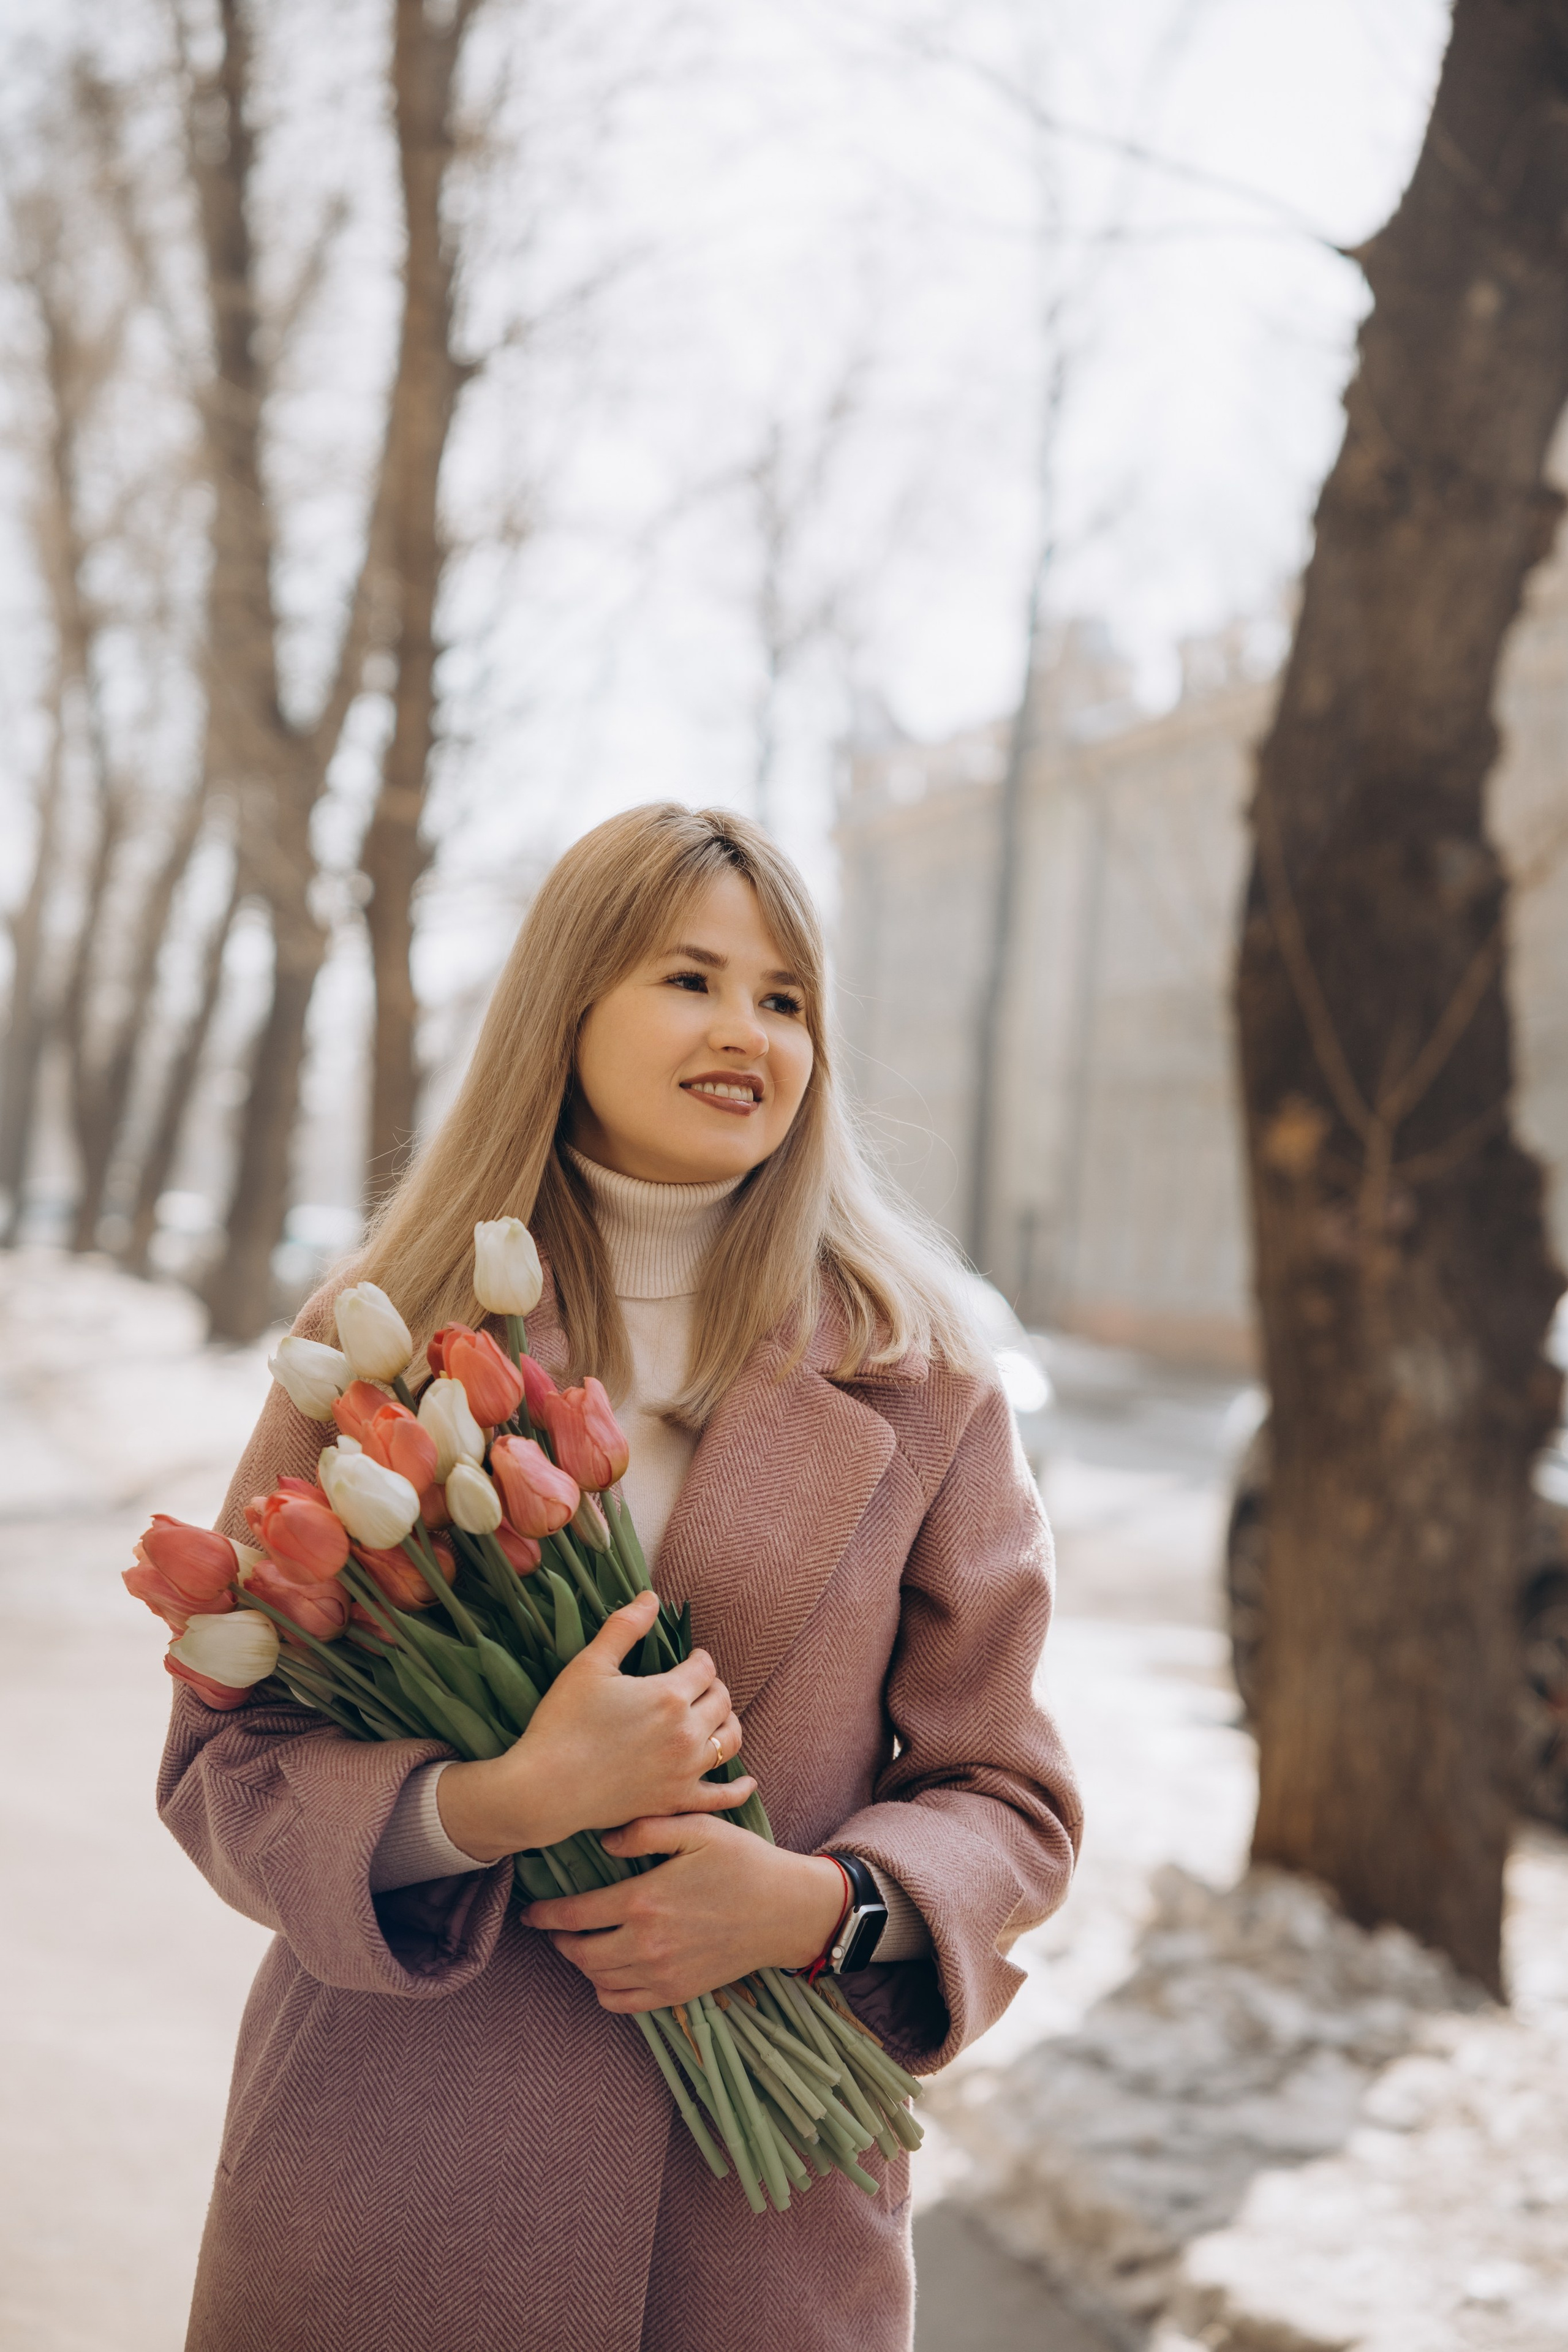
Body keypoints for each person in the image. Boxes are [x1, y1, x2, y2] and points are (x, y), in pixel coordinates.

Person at [159, 803, 1081, 2352]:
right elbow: (223, 1765)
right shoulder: (381, 1336)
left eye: (785, 999)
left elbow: (1009, 1796)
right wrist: (499, 1805)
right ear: (566, 1005)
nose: (747, 1033)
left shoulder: (916, 1380)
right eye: (689, 979)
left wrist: (811, 1907)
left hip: (752, 2240)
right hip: (390, 2189)